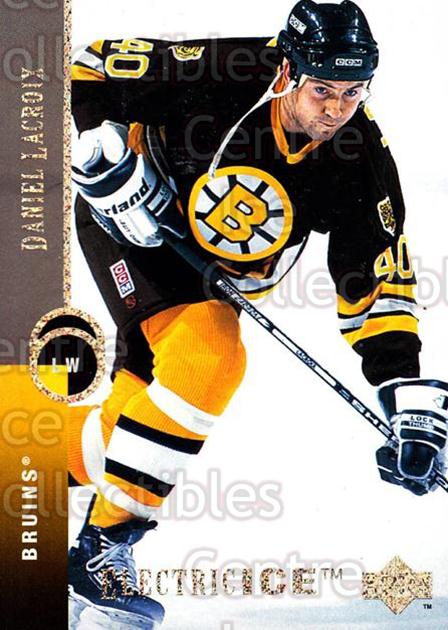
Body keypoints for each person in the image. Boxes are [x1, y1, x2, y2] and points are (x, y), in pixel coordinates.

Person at [69, 1, 448, 627]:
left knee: (136, 416)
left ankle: (24, 473)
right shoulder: (229, 69)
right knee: (211, 358)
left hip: (211, 274)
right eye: (322, 89)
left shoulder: (360, 159)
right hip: (132, 228)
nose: (336, 109)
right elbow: (93, 66)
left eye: (353, 92)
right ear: (287, 72)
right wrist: (102, 148)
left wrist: (402, 393)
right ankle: (101, 550)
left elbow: (376, 286)